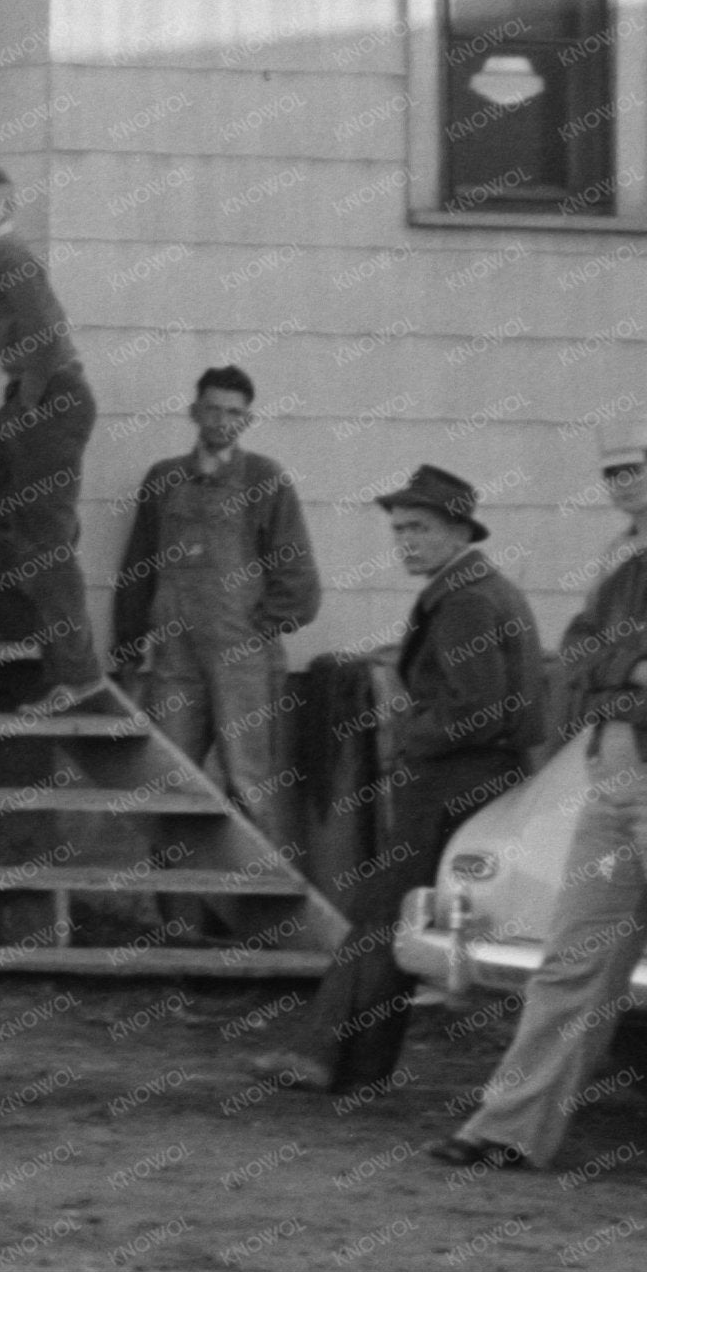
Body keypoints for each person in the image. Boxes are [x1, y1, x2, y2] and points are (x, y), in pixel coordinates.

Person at [251, 466, 544, 1096]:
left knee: (384, 914)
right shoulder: (478, 589)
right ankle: (350, 1064)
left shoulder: (465, 599)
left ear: (459, 529)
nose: (405, 541)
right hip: (477, 780)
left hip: (455, 783)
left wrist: (407, 738)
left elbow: (479, 709)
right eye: (399, 529)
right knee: (394, 916)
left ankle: (331, 1058)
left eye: (419, 528)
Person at [436, 424, 646, 1172]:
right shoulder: (621, 558)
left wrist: (615, 668)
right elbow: (584, 652)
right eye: (616, 471)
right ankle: (508, 1130)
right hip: (611, 763)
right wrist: (627, 667)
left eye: (640, 467)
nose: (625, 482)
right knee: (572, 959)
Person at [109, 364, 321, 846]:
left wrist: (260, 626)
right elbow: (138, 566)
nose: (223, 421)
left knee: (248, 779)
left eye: (235, 413)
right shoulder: (163, 479)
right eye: (213, 409)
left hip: (240, 655)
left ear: (246, 420)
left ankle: (257, 911)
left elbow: (299, 575)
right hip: (174, 654)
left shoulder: (265, 479)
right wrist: (128, 643)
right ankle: (177, 916)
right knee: (172, 777)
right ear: (194, 412)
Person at [0, 162, 107, 715]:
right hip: (28, 399)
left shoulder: (10, 255)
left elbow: (43, 333)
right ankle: (8, 619)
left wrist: (30, 406)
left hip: (50, 398)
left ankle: (80, 675)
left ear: (7, 207)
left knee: (46, 545)